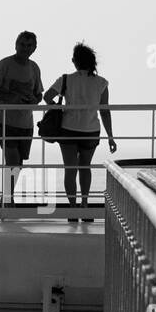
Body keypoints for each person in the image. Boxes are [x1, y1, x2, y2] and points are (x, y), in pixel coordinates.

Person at [43, 42, 117, 222]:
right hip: (91, 130)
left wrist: (57, 108)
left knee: (70, 169)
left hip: (68, 129)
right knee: (85, 167)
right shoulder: (101, 83)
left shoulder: (66, 79)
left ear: (74, 61)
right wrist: (110, 137)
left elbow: (47, 97)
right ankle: (85, 205)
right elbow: (104, 111)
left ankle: (73, 209)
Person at [0, 31, 43, 205]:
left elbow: (39, 94)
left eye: (29, 45)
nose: (25, 48)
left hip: (25, 122)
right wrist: (9, 97)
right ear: (16, 45)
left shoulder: (34, 68)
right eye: (22, 44)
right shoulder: (5, 64)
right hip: (4, 120)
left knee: (18, 163)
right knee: (11, 160)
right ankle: (7, 200)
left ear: (34, 48)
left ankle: (6, 198)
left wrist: (35, 100)